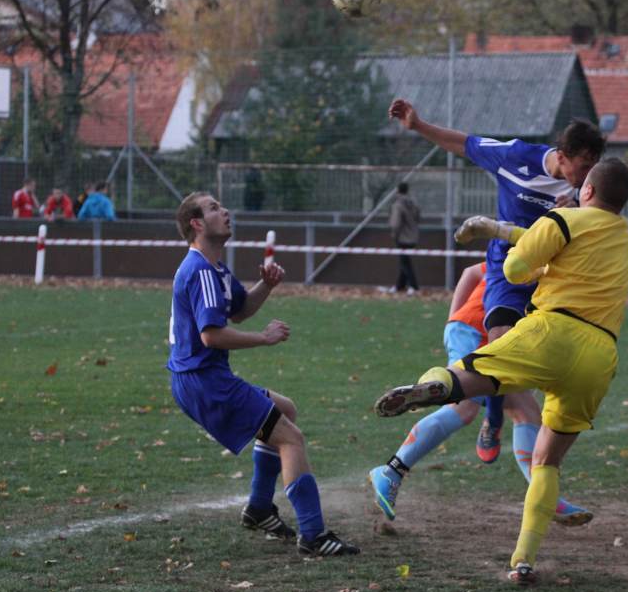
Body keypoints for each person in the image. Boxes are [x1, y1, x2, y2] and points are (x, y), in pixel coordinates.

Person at [374, 158, 628, 585]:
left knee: (468, 376)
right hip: (599, 354)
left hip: (551, 331)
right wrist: (502, 230)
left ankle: (431, 388)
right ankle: (523, 561)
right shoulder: (624, 237)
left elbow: (516, 270)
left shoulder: (564, 219)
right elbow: (567, 250)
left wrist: (513, 248)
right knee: (547, 463)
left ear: (586, 190)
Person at [388, 98, 604, 463]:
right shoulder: (515, 157)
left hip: (550, 282)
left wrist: (576, 214)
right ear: (562, 155)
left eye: (592, 169)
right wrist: (419, 125)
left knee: (536, 380)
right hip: (508, 271)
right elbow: (464, 144)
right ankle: (490, 419)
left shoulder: (586, 191)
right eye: (583, 167)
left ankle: (497, 418)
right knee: (501, 344)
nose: (586, 178)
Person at [168, 191, 358, 557]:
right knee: (291, 439)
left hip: (202, 379)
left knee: (285, 409)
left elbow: (238, 311)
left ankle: (258, 508)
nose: (225, 211)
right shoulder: (201, 270)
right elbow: (211, 336)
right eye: (213, 208)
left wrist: (266, 286)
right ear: (196, 224)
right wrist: (264, 338)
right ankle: (313, 535)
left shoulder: (214, 269)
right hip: (205, 382)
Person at [367, 261, 592, 526]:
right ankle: (392, 470)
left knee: (526, 410)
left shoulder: (548, 261)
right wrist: (455, 317)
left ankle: (545, 496)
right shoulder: (540, 255)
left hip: (491, 338)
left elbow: (475, 274)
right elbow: (473, 273)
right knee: (464, 407)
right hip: (476, 331)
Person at [381, 182, 420, 294]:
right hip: (413, 236)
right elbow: (417, 217)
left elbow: (395, 223)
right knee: (404, 261)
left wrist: (394, 234)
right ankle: (399, 286)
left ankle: (414, 286)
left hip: (402, 237)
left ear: (397, 190)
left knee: (405, 263)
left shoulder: (397, 205)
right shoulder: (413, 203)